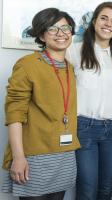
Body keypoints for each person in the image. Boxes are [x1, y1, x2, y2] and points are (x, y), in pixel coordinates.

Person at [2, 8, 80, 199]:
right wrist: (19, 157)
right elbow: (14, 114)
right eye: (53, 29)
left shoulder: (70, 68)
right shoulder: (27, 64)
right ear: (42, 35)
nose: (61, 34)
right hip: (34, 157)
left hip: (63, 156)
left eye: (66, 28)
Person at [66, 2, 112, 199]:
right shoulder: (75, 50)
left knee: (106, 189)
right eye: (104, 18)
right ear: (93, 22)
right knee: (87, 189)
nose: (108, 24)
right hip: (85, 129)